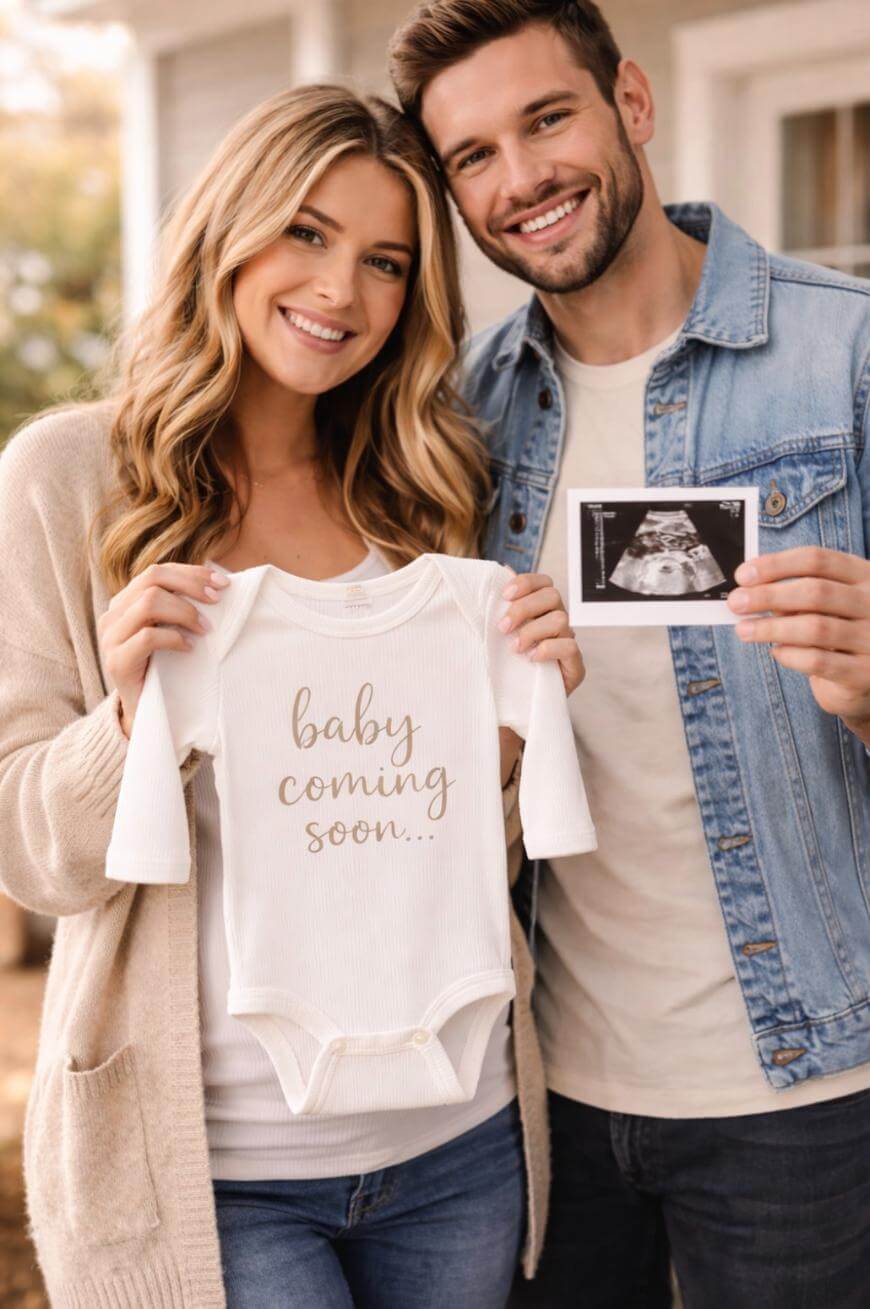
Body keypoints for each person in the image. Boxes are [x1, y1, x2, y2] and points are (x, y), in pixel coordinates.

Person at [0, 85, 586, 1308]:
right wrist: (126, 723)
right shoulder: (67, 481)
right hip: (213, 1166)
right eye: (307, 234)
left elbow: (457, 840)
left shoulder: (425, 490)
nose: (342, 294)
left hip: (455, 1136)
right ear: (229, 229)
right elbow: (29, 855)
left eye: (386, 262)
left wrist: (517, 736)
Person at [388, 3, 870, 1306]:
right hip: (539, 1102)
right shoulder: (457, 420)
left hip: (808, 1089)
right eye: (472, 156)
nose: (521, 179)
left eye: (546, 119)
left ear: (631, 104)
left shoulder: (847, 358)